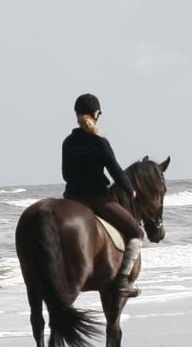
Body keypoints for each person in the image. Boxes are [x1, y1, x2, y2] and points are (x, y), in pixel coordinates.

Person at [62, 93, 144, 297]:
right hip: (96, 198)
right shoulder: (99, 141)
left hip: (71, 198)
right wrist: (130, 189)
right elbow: (114, 169)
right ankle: (123, 281)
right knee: (136, 233)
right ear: (96, 114)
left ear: (77, 114)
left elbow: (65, 173)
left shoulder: (68, 142)